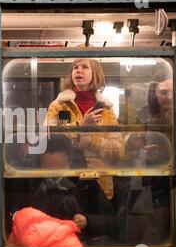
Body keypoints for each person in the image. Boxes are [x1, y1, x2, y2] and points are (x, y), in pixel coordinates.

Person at [45, 58, 125, 200]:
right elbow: (48, 143)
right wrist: (81, 128)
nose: (78, 70)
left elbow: (119, 151)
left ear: (95, 73)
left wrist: (91, 141)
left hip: (100, 184)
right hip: (65, 183)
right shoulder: (58, 105)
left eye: (84, 67)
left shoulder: (106, 109)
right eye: (75, 67)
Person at [135, 69, 174, 245]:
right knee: (151, 230)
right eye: (163, 92)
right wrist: (143, 151)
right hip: (151, 182)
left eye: (172, 92)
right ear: (154, 94)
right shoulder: (144, 116)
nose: (169, 97)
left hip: (172, 181)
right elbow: (133, 146)